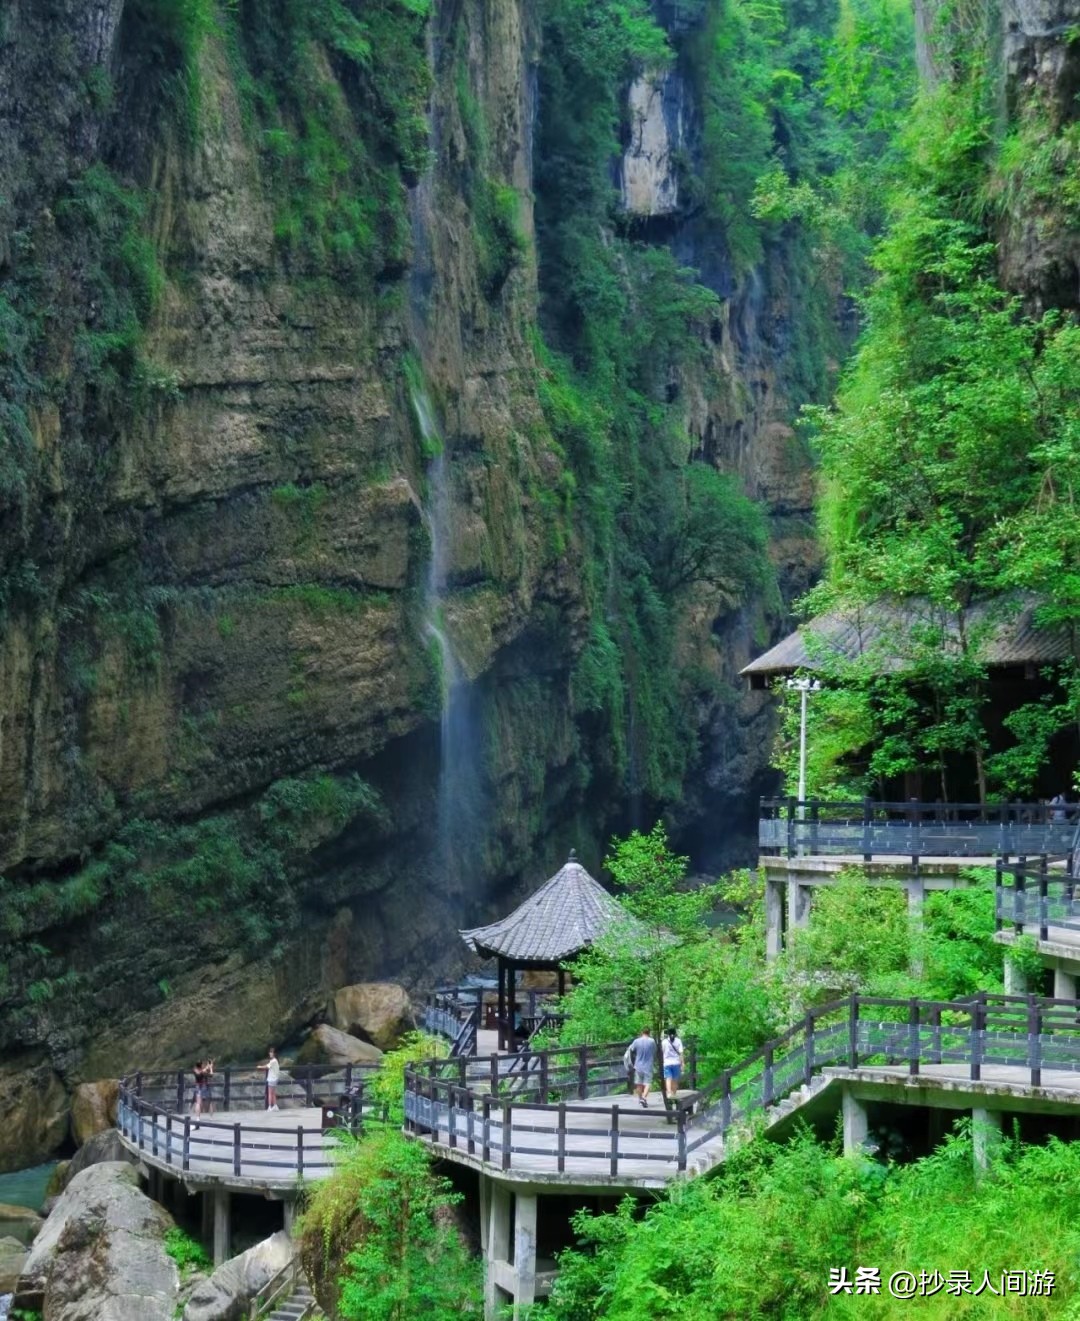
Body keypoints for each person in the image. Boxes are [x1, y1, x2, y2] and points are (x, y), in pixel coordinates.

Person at [627, 1026, 657, 1108]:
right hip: (648, 1065)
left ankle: (640, 1099)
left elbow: (631, 1049)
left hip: (638, 1065)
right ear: (649, 1033)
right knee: (647, 1083)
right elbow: (655, 1051)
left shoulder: (636, 1041)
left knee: (639, 1084)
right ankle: (643, 1098)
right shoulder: (652, 1041)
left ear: (642, 1032)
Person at [661, 1028, 684, 1100]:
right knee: (675, 1079)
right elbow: (681, 1053)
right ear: (675, 1033)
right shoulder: (678, 1041)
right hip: (676, 1062)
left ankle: (669, 1093)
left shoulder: (664, 1042)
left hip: (667, 1063)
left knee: (668, 1078)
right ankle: (674, 1094)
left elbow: (663, 1051)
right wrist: (682, 1063)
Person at [192, 1058, 214, 1126]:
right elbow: (200, 1074)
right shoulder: (197, 1070)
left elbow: (210, 1075)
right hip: (202, 1087)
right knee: (206, 1102)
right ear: (201, 1065)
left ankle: (199, 1117)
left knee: (201, 1102)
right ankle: (210, 1117)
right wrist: (209, 1068)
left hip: (200, 1087)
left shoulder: (195, 1069)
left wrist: (210, 1067)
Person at [258, 1047, 280, 1112]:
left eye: (271, 1052)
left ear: (274, 1054)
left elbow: (267, 1066)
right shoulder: (275, 1060)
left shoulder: (273, 1061)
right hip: (275, 1078)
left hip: (272, 1079)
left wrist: (260, 1067)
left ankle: (270, 1106)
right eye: (270, 1052)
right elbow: (268, 1065)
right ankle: (275, 1106)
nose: (270, 1053)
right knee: (273, 1093)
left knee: (270, 1093)